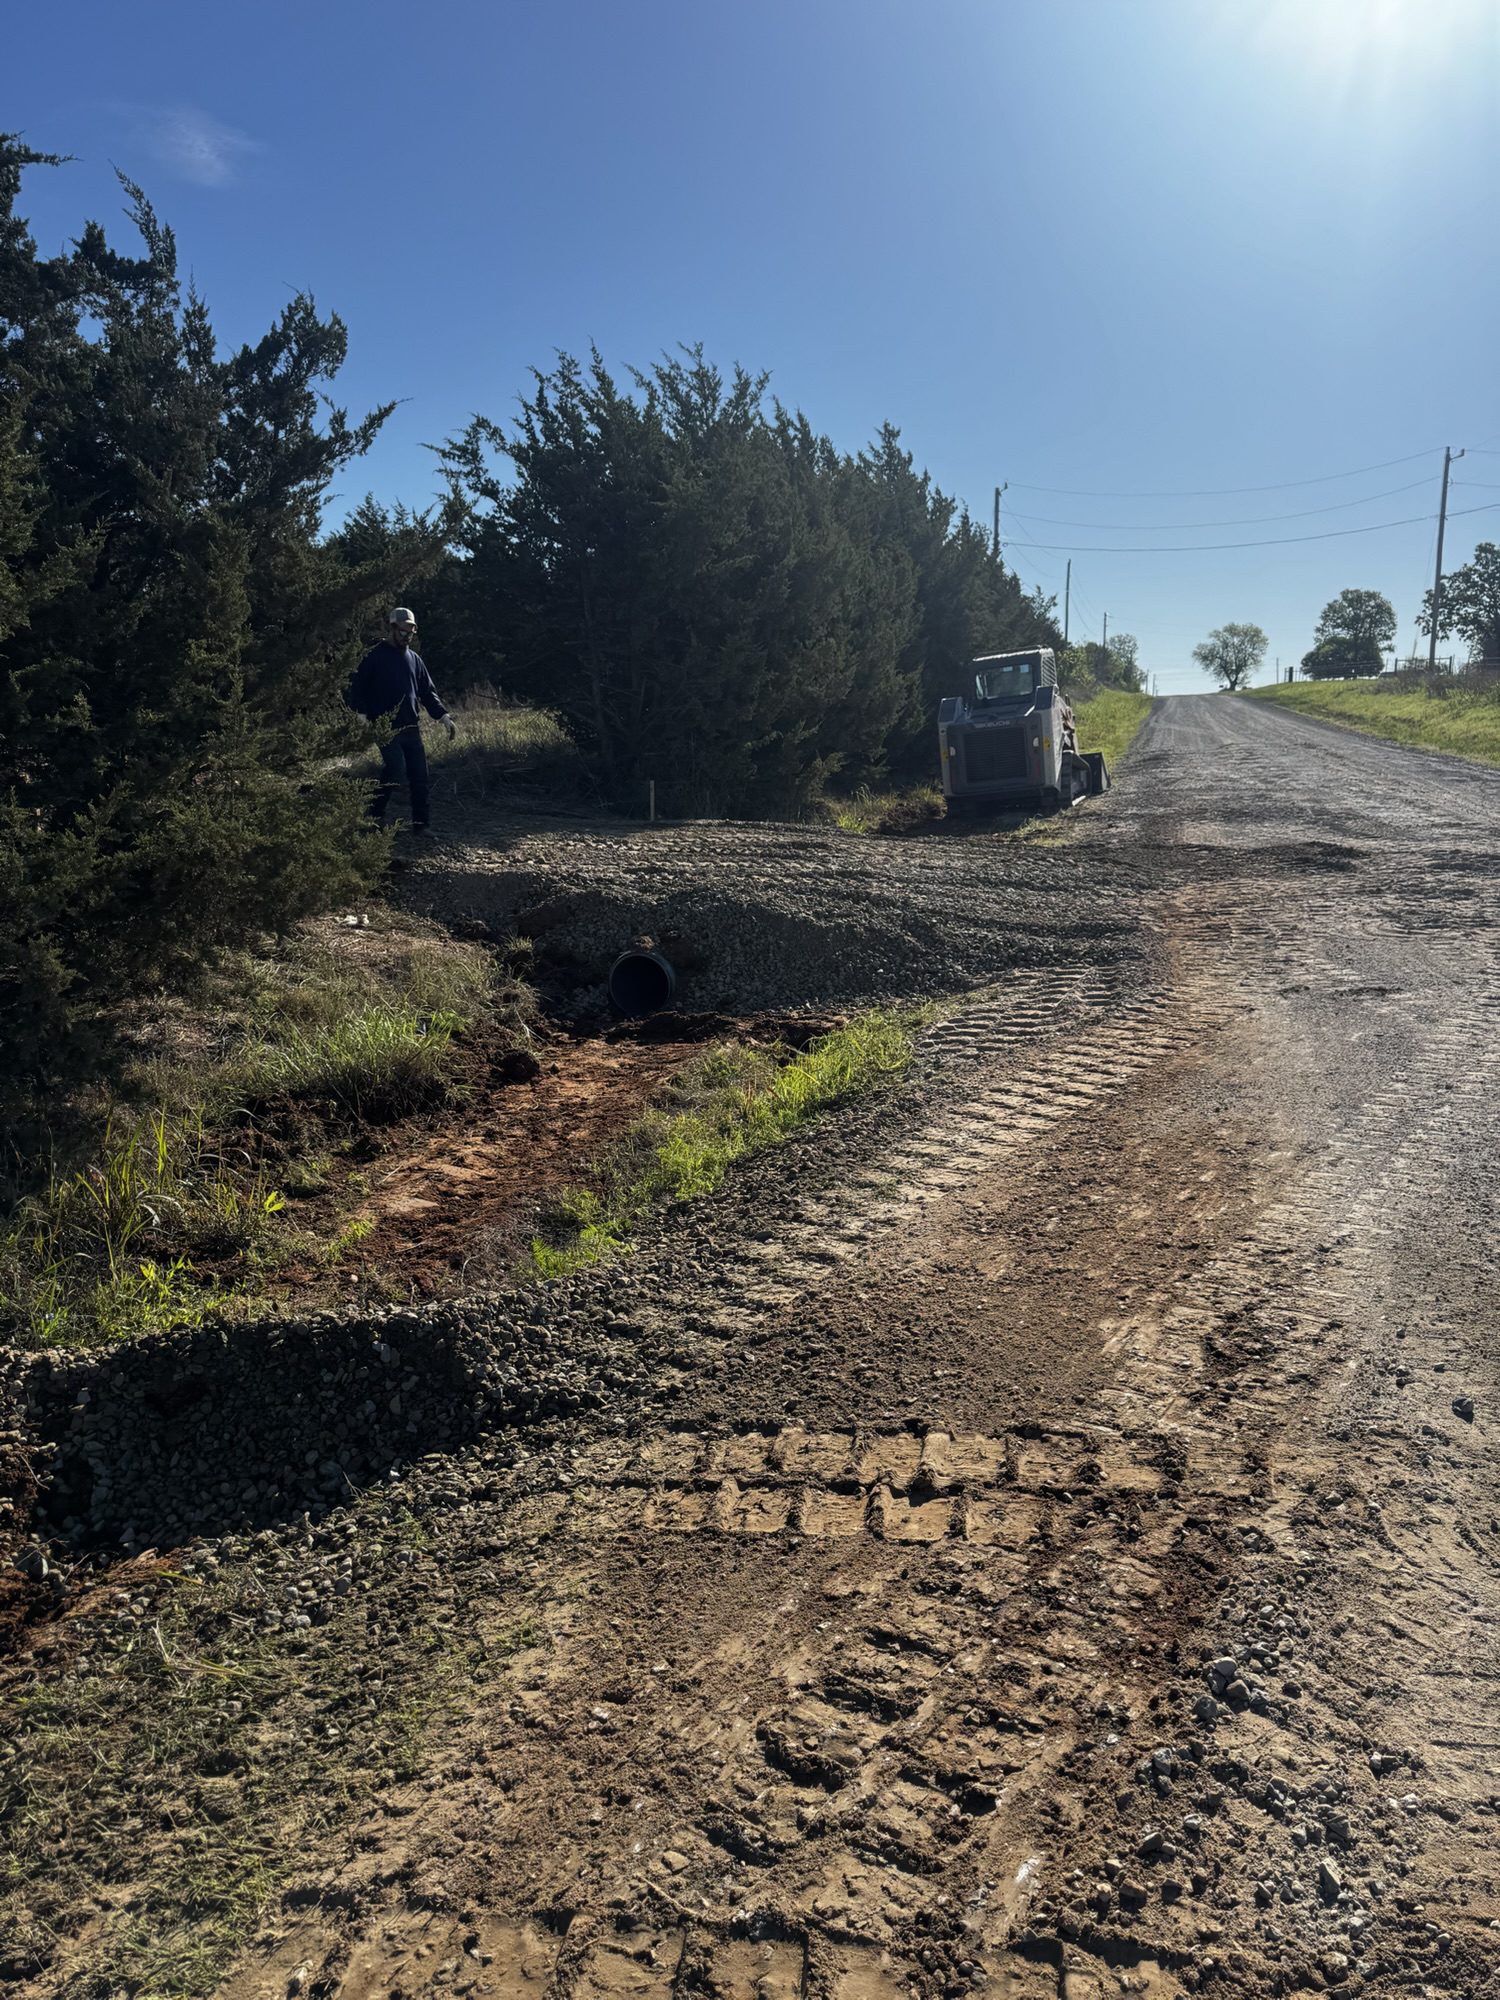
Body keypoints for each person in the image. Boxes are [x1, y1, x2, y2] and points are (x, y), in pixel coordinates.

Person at [348, 607, 456, 836]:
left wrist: (443, 716)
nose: (407, 637)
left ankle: (421, 825)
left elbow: (428, 692)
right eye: (404, 632)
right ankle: (373, 818)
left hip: (411, 727)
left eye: (411, 633)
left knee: (420, 776)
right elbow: (356, 688)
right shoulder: (373, 656)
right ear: (392, 628)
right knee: (396, 768)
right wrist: (361, 715)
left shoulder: (414, 659)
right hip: (385, 727)